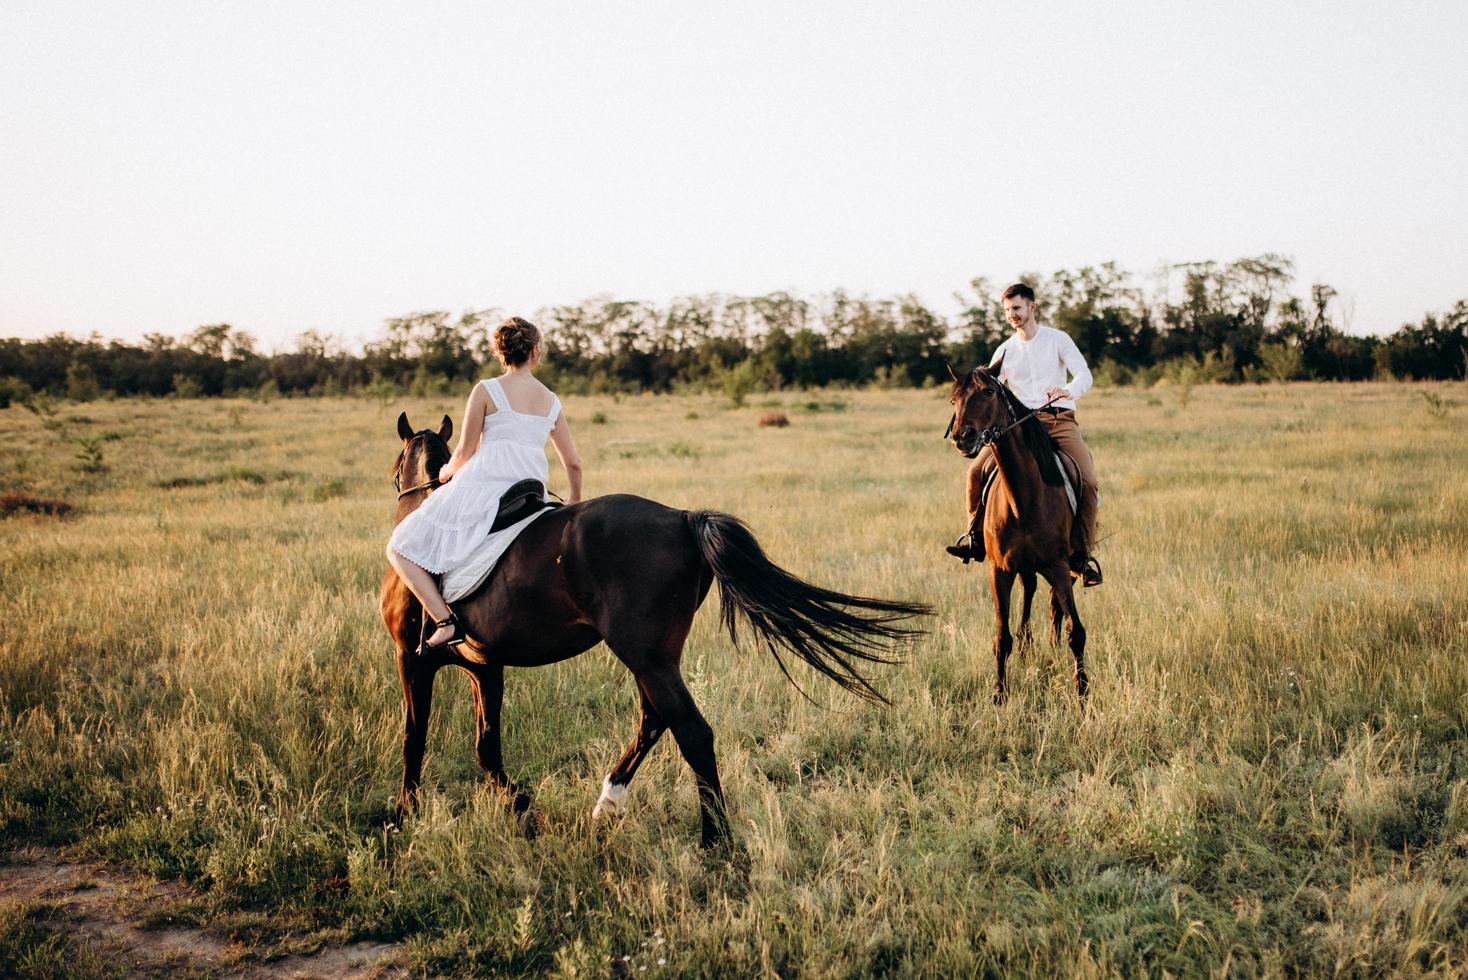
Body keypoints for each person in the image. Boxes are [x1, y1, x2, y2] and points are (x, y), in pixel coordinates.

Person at [387, 316, 583, 647]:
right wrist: (575, 501)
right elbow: (573, 463)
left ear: (500, 353)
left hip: (486, 486)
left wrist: (447, 472)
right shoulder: (551, 400)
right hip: (532, 489)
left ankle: (445, 620)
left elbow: (464, 451)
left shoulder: (486, 390)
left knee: (400, 546)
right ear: (535, 351)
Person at [946, 283, 1103, 586]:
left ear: (1032, 307)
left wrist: (1066, 390)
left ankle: (1082, 555)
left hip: (1058, 421)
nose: (1012, 316)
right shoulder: (1004, 351)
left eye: (1016, 309)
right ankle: (975, 539)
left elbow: (1085, 375)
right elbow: (988, 389)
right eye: (1007, 311)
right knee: (975, 472)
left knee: (1088, 479)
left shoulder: (1058, 340)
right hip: (1017, 429)